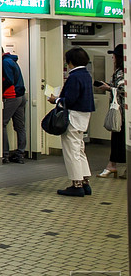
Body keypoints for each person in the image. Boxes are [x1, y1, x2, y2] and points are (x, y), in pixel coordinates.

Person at [48, 47, 95, 196]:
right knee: (80, 149)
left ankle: (77, 184)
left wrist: (56, 99)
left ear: (70, 62)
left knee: (71, 151)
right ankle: (85, 181)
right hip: (84, 116)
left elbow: (71, 99)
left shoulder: (74, 77)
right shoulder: (86, 75)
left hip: (73, 117)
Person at [95, 44, 126, 178]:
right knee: (118, 139)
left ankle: (112, 165)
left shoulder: (123, 72)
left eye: (114, 56)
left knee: (120, 139)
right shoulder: (119, 71)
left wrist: (109, 88)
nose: (112, 58)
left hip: (122, 113)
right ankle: (112, 165)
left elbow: (123, 89)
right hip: (120, 113)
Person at [2, 48, 27, 163]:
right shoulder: (12, 60)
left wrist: (0, 89)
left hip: (12, 96)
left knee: (2, 123)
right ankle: (20, 153)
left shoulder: (5, 62)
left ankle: (4, 154)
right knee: (20, 126)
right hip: (21, 96)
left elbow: (9, 80)